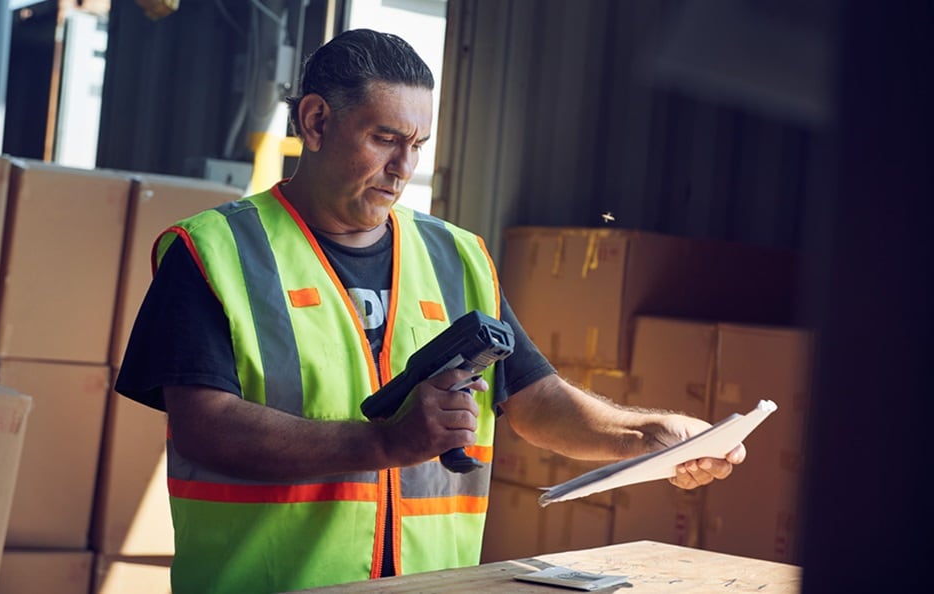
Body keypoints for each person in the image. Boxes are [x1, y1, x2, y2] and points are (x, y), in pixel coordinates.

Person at [115, 28, 745, 593]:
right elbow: (207, 427)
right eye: (385, 139)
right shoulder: (214, 252)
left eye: (417, 144)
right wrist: (388, 441)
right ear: (314, 122)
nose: (404, 168)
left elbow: (537, 401)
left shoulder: (457, 255)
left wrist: (647, 437)